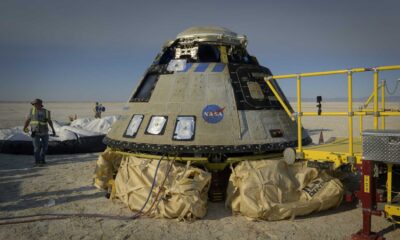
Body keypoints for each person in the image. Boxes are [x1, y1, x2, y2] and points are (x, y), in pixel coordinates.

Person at [23, 99, 56, 166]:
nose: (34, 105)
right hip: (35, 132)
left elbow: (49, 121)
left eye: (36, 104)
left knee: (45, 147)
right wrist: (25, 127)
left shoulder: (46, 112)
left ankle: (42, 159)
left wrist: (53, 129)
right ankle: (37, 161)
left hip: (45, 132)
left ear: (40, 104)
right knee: (37, 148)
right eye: (34, 104)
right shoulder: (31, 111)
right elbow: (28, 120)